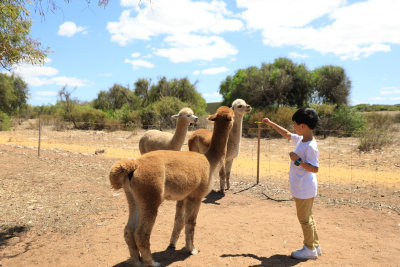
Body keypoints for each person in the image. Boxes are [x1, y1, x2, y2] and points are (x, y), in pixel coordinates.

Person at [262, 108, 321, 260]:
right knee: (309, 217)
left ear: (303, 126)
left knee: (305, 219)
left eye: (295, 124)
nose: (294, 127)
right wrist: (271, 123)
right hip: (304, 188)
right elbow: (287, 134)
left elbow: (315, 168)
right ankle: (314, 245)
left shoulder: (310, 146)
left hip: (304, 188)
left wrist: (298, 160)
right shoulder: (302, 139)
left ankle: (309, 249)